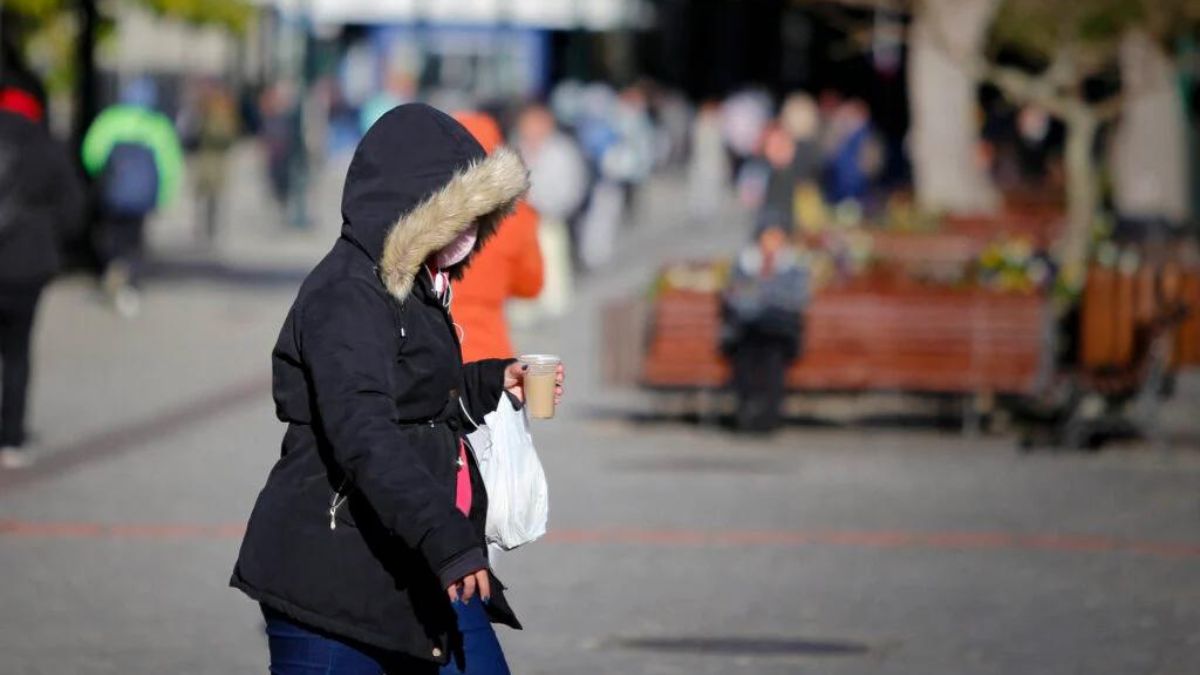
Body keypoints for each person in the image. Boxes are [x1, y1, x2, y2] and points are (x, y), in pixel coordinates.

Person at [230, 104, 564, 675]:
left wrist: (489, 379)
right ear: (412, 209)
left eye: (476, 216)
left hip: (420, 560)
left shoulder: (413, 285)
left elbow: (412, 389)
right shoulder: (347, 295)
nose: (466, 231)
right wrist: (448, 540)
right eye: (455, 214)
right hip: (335, 578)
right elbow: (364, 431)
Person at [0, 108, 86, 468]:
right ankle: (11, 438)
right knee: (18, 353)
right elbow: (73, 209)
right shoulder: (45, 147)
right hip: (27, 262)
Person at [81, 80, 185, 317]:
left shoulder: (109, 120)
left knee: (112, 235)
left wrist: (101, 176)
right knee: (135, 239)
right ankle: (128, 279)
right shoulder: (158, 126)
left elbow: (91, 154)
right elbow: (171, 165)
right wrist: (165, 196)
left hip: (114, 193)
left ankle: (113, 268)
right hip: (142, 198)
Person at [451, 111, 545, 362]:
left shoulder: (421, 210)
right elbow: (532, 284)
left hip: (427, 355)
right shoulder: (517, 215)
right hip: (488, 353)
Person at [721, 223, 809, 433]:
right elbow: (734, 294)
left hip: (779, 333)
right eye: (768, 238)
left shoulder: (793, 266)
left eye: (776, 238)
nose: (771, 244)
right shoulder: (745, 264)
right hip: (747, 330)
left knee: (773, 363)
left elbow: (796, 299)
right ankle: (747, 413)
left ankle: (768, 418)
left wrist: (762, 296)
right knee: (744, 360)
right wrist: (760, 298)